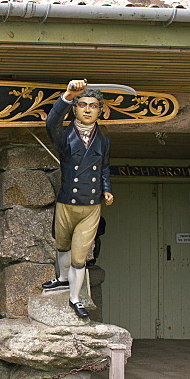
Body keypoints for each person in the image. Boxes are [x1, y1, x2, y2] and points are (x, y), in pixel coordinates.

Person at [42, 79, 114, 319]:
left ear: (100, 110)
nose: (87, 109)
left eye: (93, 105)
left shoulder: (103, 140)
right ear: (74, 108)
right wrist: (67, 95)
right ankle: (62, 280)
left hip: (91, 206)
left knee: (79, 257)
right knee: (61, 245)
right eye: (82, 104)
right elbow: (51, 123)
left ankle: (75, 298)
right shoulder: (66, 137)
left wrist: (106, 189)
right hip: (66, 202)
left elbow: (104, 168)